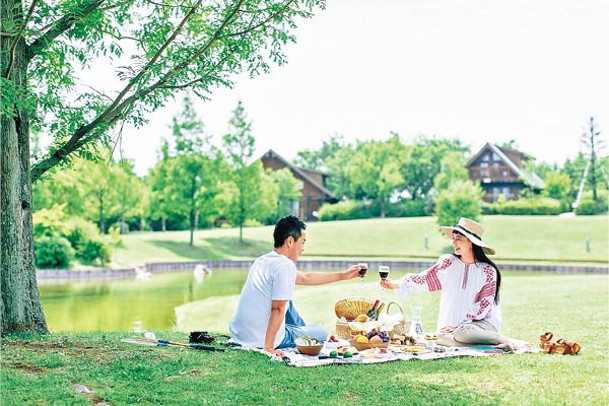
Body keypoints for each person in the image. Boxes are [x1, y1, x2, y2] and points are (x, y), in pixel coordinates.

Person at [229, 215, 365, 357]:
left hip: (242, 334)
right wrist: (269, 348)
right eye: (303, 242)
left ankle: (303, 331)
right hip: (262, 339)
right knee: (321, 332)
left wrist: (344, 275)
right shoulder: (284, 265)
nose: (303, 248)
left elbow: (306, 278)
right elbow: (277, 309)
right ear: (290, 241)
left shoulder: (263, 261)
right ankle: (304, 334)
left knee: (286, 300)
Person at [380, 217, 523, 349]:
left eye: (458, 239)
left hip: (480, 325)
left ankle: (504, 340)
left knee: (462, 334)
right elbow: (425, 279)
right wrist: (397, 284)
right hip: (452, 329)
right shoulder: (448, 263)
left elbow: (483, 307)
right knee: (437, 338)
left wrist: (459, 326)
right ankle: (483, 343)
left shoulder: (488, 271)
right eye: (453, 238)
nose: (453, 243)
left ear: (471, 242)